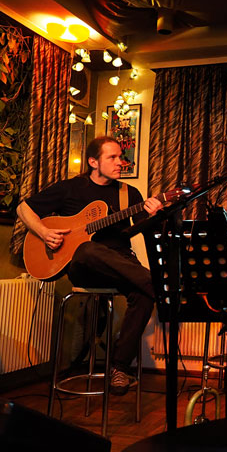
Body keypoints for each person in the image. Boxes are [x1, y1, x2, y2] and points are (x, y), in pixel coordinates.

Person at [17, 136, 163, 396]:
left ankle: (119, 368)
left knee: (143, 294)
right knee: (87, 249)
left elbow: (145, 231)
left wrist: (156, 215)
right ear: (93, 162)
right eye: (112, 157)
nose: (120, 162)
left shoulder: (129, 194)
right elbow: (23, 208)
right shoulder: (71, 188)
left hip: (120, 264)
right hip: (84, 267)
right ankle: (159, 284)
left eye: (121, 157)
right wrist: (43, 232)